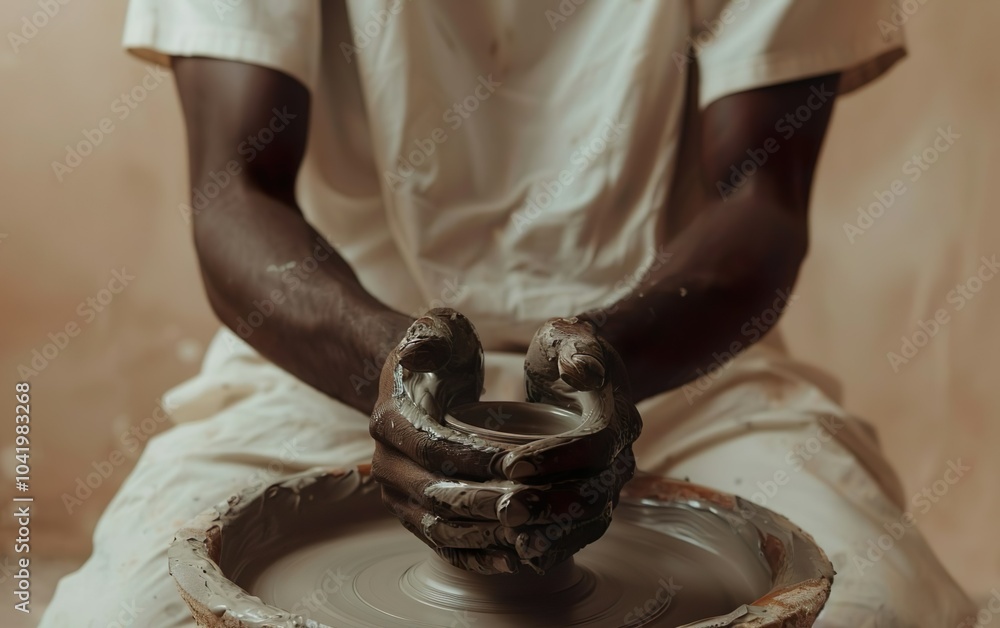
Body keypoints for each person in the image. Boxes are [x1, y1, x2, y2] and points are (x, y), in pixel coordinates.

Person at [43, 1, 975, 626]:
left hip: (680, 370)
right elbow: (231, 187)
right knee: (127, 610)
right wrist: (391, 367)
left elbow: (762, 203)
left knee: (874, 603)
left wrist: (601, 365)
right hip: (328, 355)